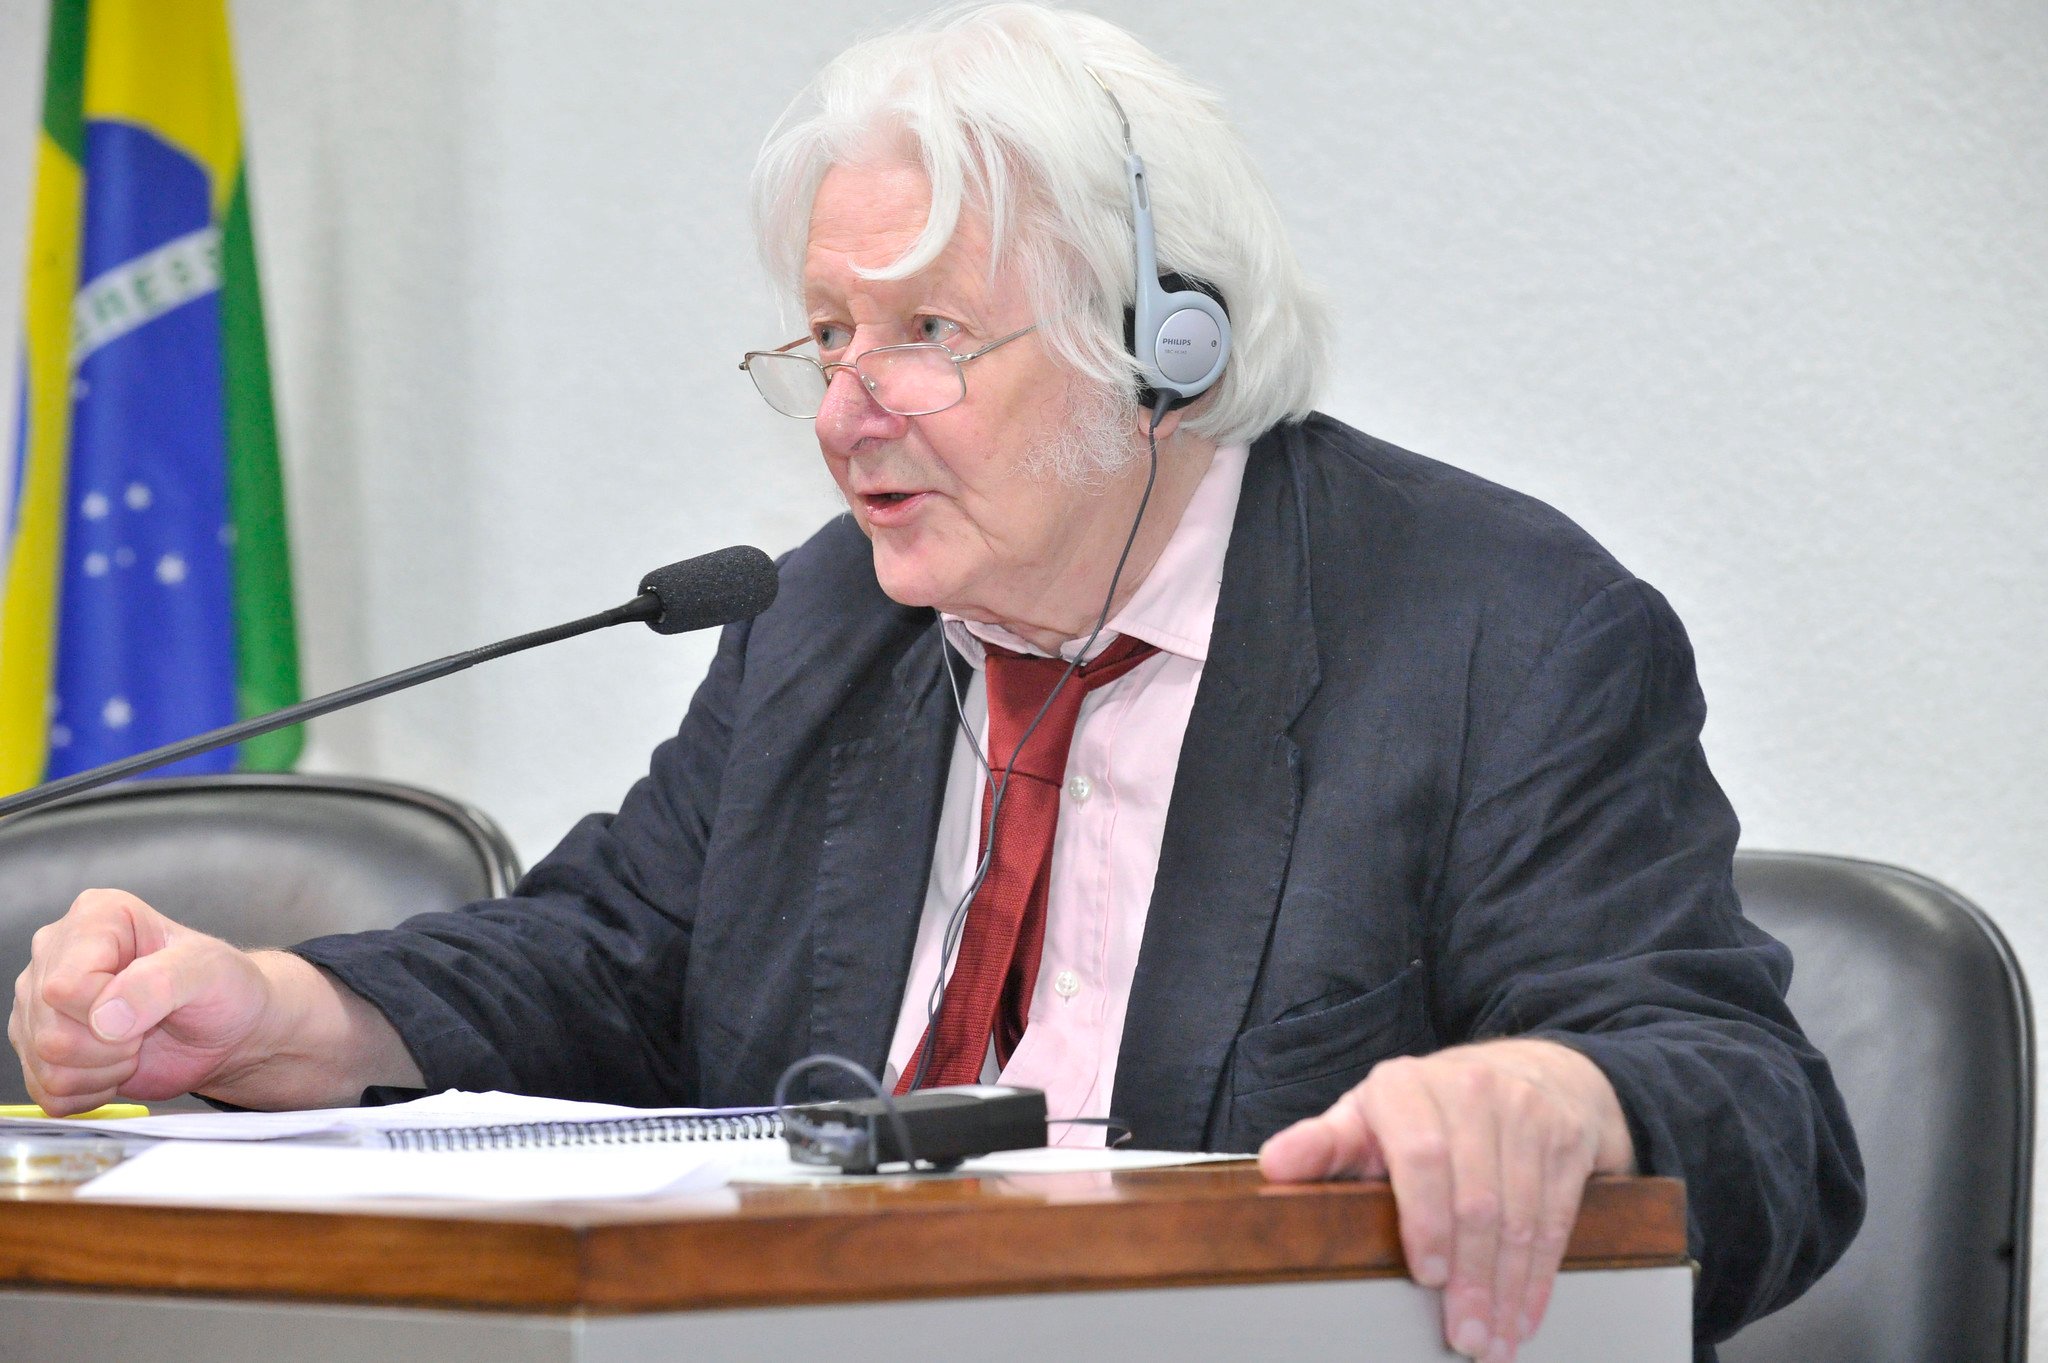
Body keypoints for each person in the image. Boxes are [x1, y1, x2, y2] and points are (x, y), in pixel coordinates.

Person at [8, 7, 1860, 1361]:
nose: (843, 411)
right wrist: (265, 1012)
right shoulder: (834, 622)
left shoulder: (1493, 633)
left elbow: (1758, 1110)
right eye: (825, 337)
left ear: (1164, 343)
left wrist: (1563, 1095)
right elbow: (604, 958)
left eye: (922, 335)